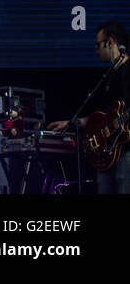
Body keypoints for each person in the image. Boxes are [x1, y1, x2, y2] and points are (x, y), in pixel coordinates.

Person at [48, 21, 130, 194]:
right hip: (107, 153)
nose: (96, 50)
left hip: (125, 150)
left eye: (98, 44)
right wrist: (70, 123)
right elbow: (101, 117)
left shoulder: (127, 70)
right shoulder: (109, 75)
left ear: (111, 41)